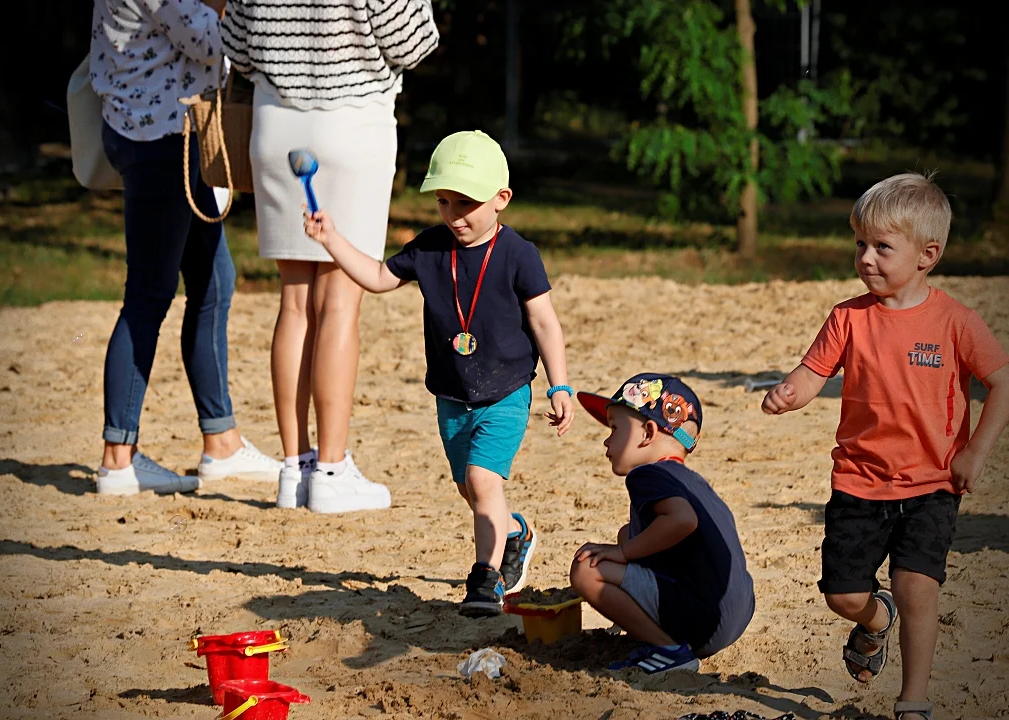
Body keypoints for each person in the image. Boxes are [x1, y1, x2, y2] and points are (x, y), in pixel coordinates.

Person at [761, 173, 1009, 720]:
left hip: (932, 483)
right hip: (858, 480)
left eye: (881, 247)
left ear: (928, 254)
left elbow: (1002, 382)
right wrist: (789, 393)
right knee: (843, 596)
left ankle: (913, 700)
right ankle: (876, 620)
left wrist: (975, 453)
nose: (866, 258)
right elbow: (812, 371)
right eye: (860, 244)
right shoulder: (848, 317)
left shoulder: (956, 322)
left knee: (917, 585)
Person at [303, 130, 575, 615]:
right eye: (444, 202)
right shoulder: (430, 248)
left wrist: (560, 385)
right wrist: (331, 240)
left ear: (501, 200)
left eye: (465, 203)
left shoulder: (519, 254)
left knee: (484, 479)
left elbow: (544, 322)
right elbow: (378, 279)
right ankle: (516, 533)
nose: (453, 215)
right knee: (469, 489)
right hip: (451, 394)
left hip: (506, 391)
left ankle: (485, 581)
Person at [220, 0, 440, 512]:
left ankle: (294, 467)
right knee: (339, 303)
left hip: (276, 127)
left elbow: (237, 48)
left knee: (295, 303)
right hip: (352, 122)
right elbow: (413, 43)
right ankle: (332, 469)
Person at [90, 0, 281, 495]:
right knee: (149, 295)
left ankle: (221, 441)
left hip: (163, 132)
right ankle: (118, 458)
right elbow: (211, 42)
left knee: (214, 282)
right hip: (162, 139)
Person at [571, 374, 755, 675]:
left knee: (587, 569)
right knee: (628, 534)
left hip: (702, 619)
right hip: (734, 614)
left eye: (615, 428)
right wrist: (626, 545)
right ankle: (644, 619)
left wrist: (624, 554)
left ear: (647, 433)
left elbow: (683, 521)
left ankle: (669, 650)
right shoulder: (694, 481)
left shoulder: (647, 474)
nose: (606, 439)